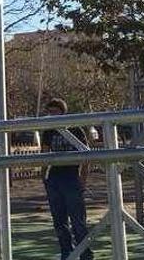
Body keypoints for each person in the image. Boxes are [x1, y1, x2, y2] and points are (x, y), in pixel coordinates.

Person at [41, 98, 93, 260]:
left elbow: (86, 154)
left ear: (62, 112)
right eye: (49, 112)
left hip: (71, 177)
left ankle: (85, 253)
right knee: (59, 220)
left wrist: (83, 179)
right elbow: (44, 154)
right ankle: (66, 253)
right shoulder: (49, 132)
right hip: (55, 177)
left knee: (78, 220)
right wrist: (44, 176)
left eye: (55, 112)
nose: (52, 115)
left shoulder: (75, 129)